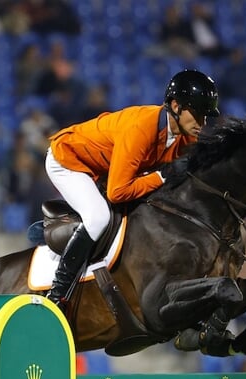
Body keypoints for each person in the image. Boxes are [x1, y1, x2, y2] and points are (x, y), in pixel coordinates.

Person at [43, 69, 220, 309]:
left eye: (206, 116)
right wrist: (161, 176)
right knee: (98, 218)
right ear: (176, 106)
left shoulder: (186, 137)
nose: (202, 123)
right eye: (198, 113)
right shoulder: (142, 127)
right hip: (69, 161)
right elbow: (118, 192)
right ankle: (58, 293)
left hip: (101, 169)